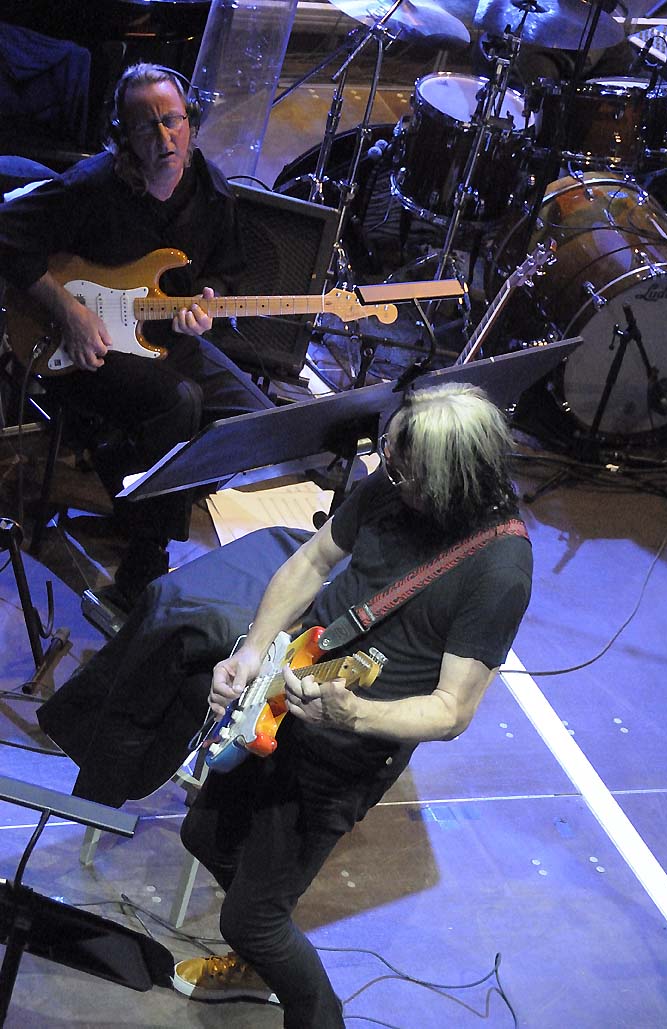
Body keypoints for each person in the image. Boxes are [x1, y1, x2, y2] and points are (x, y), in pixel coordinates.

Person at [171, 382, 534, 1028]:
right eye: (391, 457)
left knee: (250, 919)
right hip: (285, 693)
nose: (390, 472)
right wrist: (253, 653)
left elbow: (451, 710)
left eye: (406, 469)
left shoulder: (499, 568)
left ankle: (313, 1009)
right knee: (203, 834)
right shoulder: (394, 485)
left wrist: (354, 715)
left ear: (448, 481)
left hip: (344, 754)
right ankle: (263, 957)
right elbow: (312, 562)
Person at [0, 62, 273, 607]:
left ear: (191, 122)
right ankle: (141, 572)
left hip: (163, 337)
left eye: (173, 120)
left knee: (253, 419)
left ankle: (130, 484)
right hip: (79, 344)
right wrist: (69, 311)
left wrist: (209, 302)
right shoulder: (90, 188)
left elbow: (225, 272)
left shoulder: (212, 193)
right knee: (180, 405)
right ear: (124, 136)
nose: (165, 136)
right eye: (147, 126)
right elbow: (6, 234)